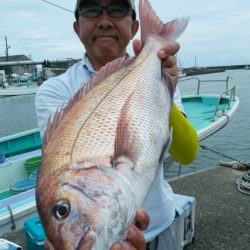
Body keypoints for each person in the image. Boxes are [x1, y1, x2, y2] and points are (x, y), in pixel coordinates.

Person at [35, 0, 195, 249]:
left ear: (134, 28)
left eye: (118, 9)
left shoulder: (157, 72)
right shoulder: (55, 90)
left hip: (161, 228)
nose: (105, 20)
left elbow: (187, 153)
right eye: (91, 9)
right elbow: (54, 171)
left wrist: (167, 86)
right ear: (77, 28)